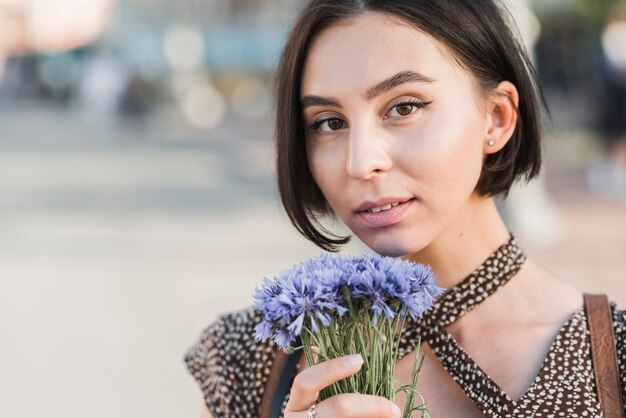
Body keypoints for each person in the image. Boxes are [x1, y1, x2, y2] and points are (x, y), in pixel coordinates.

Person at [184, 1, 626, 417]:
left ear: (496, 118)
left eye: (404, 107)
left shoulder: (613, 359)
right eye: (329, 123)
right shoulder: (249, 358)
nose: (360, 162)